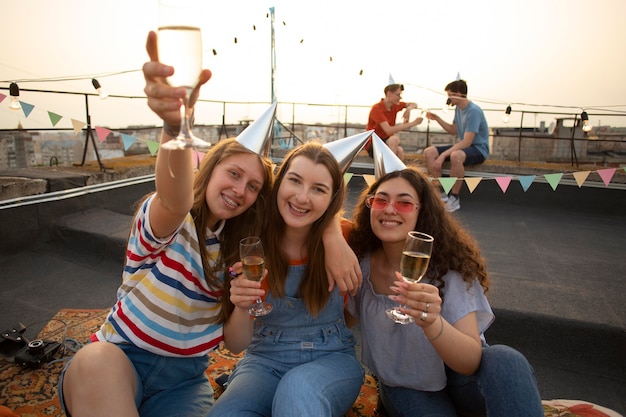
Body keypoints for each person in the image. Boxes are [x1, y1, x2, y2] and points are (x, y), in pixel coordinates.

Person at [57, 31, 361, 417]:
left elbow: (306, 211)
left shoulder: (243, 246)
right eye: (233, 174)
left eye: (253, 186)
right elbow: (174, 196)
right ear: (208, 167)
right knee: (97, 363)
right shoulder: (172, 222)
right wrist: (173, 130)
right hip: (119, 359)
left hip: (185, 381)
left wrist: (332, 231)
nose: (240, 190)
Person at [345, 166, 544, 417]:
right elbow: (340, 321)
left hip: (461, 381)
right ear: (369, 206)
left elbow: (470, 362)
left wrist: (431, 322)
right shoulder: (360, 268)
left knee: (506, 360)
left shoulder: (449, 269)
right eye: (380, 200)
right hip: (406, 385)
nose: (389, 209)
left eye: (404, 203)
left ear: (422, 212)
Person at [208, 142, 365, 417]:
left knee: (298, 389)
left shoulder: (345, 237)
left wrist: (332, 233)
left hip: (332, 357)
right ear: (279, 183)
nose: (302, 197)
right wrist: (242, 305)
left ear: (332, 199)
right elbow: (235, 345)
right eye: (295, 180)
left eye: (318, 189)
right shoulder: (252, 245)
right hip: (264, 359)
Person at [424, 79, 489, 212]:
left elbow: (467, 142)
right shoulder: (459, 109)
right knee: (429, 152)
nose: (448, 99)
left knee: (455, 155)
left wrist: (443, 155)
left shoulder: (473, 111)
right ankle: (441, 193)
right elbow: (453, 130)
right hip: (466, 147)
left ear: (458, 94)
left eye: (449, 95)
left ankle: (454, 198)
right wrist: (437, 118)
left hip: (478, 149)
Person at [366, 83, 423, 160]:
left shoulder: (395, 105)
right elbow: (388, 130)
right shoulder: (377, 108)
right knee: (394, 139)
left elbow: (414, 104)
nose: (400, 97)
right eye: (398, 95)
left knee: (400, 150)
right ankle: (390, 168)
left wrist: (408, 109)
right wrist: (413, 123)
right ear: (389, 94)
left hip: (386, 141)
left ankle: (394, 171)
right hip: (373, 143)